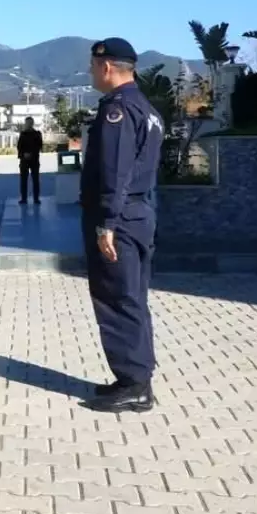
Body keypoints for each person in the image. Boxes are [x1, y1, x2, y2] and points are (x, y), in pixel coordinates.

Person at [80, 37, 163, 413]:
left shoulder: (117, 110)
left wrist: (106, 224)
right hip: (139, 215)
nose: (91, 72)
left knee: (117, 299)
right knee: (133, 298)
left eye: (93, 66)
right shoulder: (145, 108)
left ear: (107, 67)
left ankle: (135, 385)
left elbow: (115, 171)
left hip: (120, 218)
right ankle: (135, 375)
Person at [17, 117, 43, 204]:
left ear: (32, 123)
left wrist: (31, 153)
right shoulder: (23, 134)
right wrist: (23, 154)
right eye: (27, 123)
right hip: (24, 161)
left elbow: (39, 146)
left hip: (34, 160)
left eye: (30, 122)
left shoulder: (37, 133)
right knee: (23, 180)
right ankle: (24, 199)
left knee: (35, 180)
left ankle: (36, 199)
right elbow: (19, 147)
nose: (28, 124)